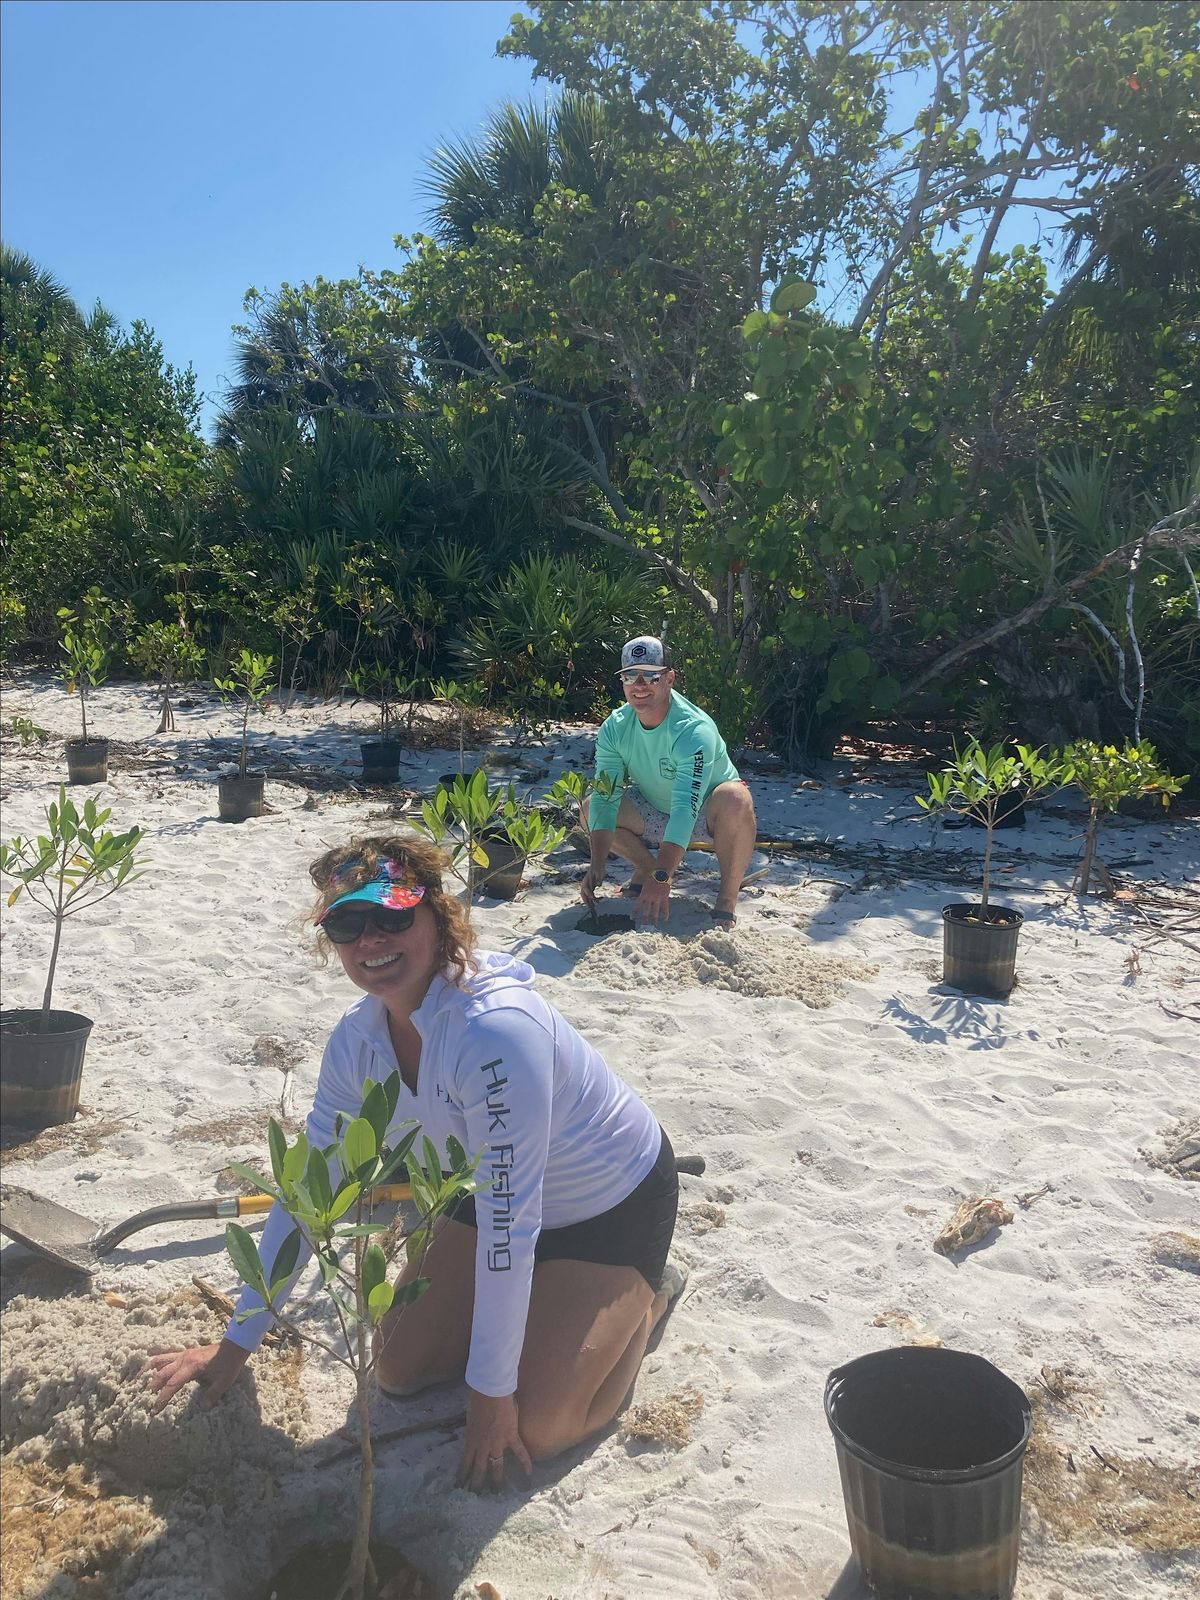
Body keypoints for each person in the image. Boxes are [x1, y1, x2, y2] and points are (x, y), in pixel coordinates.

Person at [146, 836, 684, 1492]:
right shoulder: (357, 1038)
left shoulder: (493, 1033)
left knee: (538, 1427)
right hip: (488, 1194)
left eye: (393, 917)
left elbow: (509, 1232)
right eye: (348, 924)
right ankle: (560, 1306)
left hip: (607, 1204)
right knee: (398, 1369)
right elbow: (307, 1191)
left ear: (438, 918)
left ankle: (644, 1303)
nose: (371, 940)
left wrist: (490, 1397)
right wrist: (235, 1347)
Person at [580, 635, 758, 927]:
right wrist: (597, 863)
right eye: (630, 676)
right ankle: (648, 870)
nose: (639, 685)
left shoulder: (693, 730)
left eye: (650, 676)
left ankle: (726, 901)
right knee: (590, 809)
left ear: (669, 678)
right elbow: (606, 795)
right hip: (653, 807)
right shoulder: (615, 726)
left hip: (705, 812)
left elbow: (685, 809)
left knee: (736, 798)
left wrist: (665, 876)